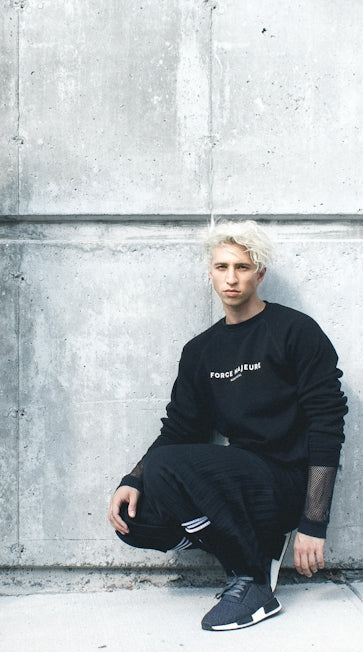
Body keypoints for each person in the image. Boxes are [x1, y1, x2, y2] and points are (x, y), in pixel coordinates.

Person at [107, 220, 347, 631]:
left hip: (285, 482)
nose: (231, 278)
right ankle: (249, 548)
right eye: (222, 267)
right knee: (136, 518)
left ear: (260, 274)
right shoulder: (201, 351)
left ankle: (252, 582)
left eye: (242, 267)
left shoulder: (294, 331)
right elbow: (180, 429)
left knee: (166, 467)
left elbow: (327, 424)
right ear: (210, 273)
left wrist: (313, 522)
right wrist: (133, 478)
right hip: (232, 483)